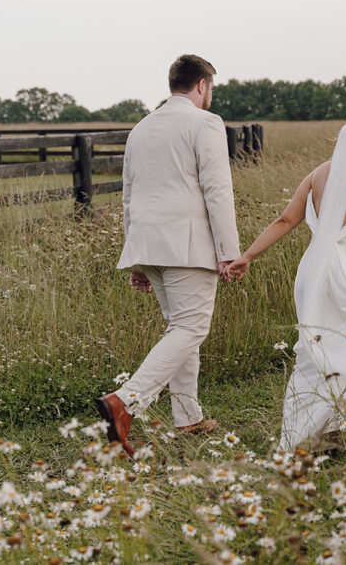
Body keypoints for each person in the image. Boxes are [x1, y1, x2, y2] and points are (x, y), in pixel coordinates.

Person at [225, 111, 346, 451]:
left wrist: (248, 255)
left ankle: (306, 434)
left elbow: (285, 219)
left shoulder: (317, 174)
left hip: (314, 273)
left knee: (317, 353)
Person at [96, 54, 240, 456]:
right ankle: (126, 402)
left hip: (149, 243)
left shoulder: (140, 129)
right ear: (201, 86)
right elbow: (217, 190)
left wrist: (137, 257)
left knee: (180, 329)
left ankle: (187, 417)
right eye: (211, 87)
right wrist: (229, 252)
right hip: (188, 246)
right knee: (190, 329)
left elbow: (129, 196)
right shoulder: (206, 122)